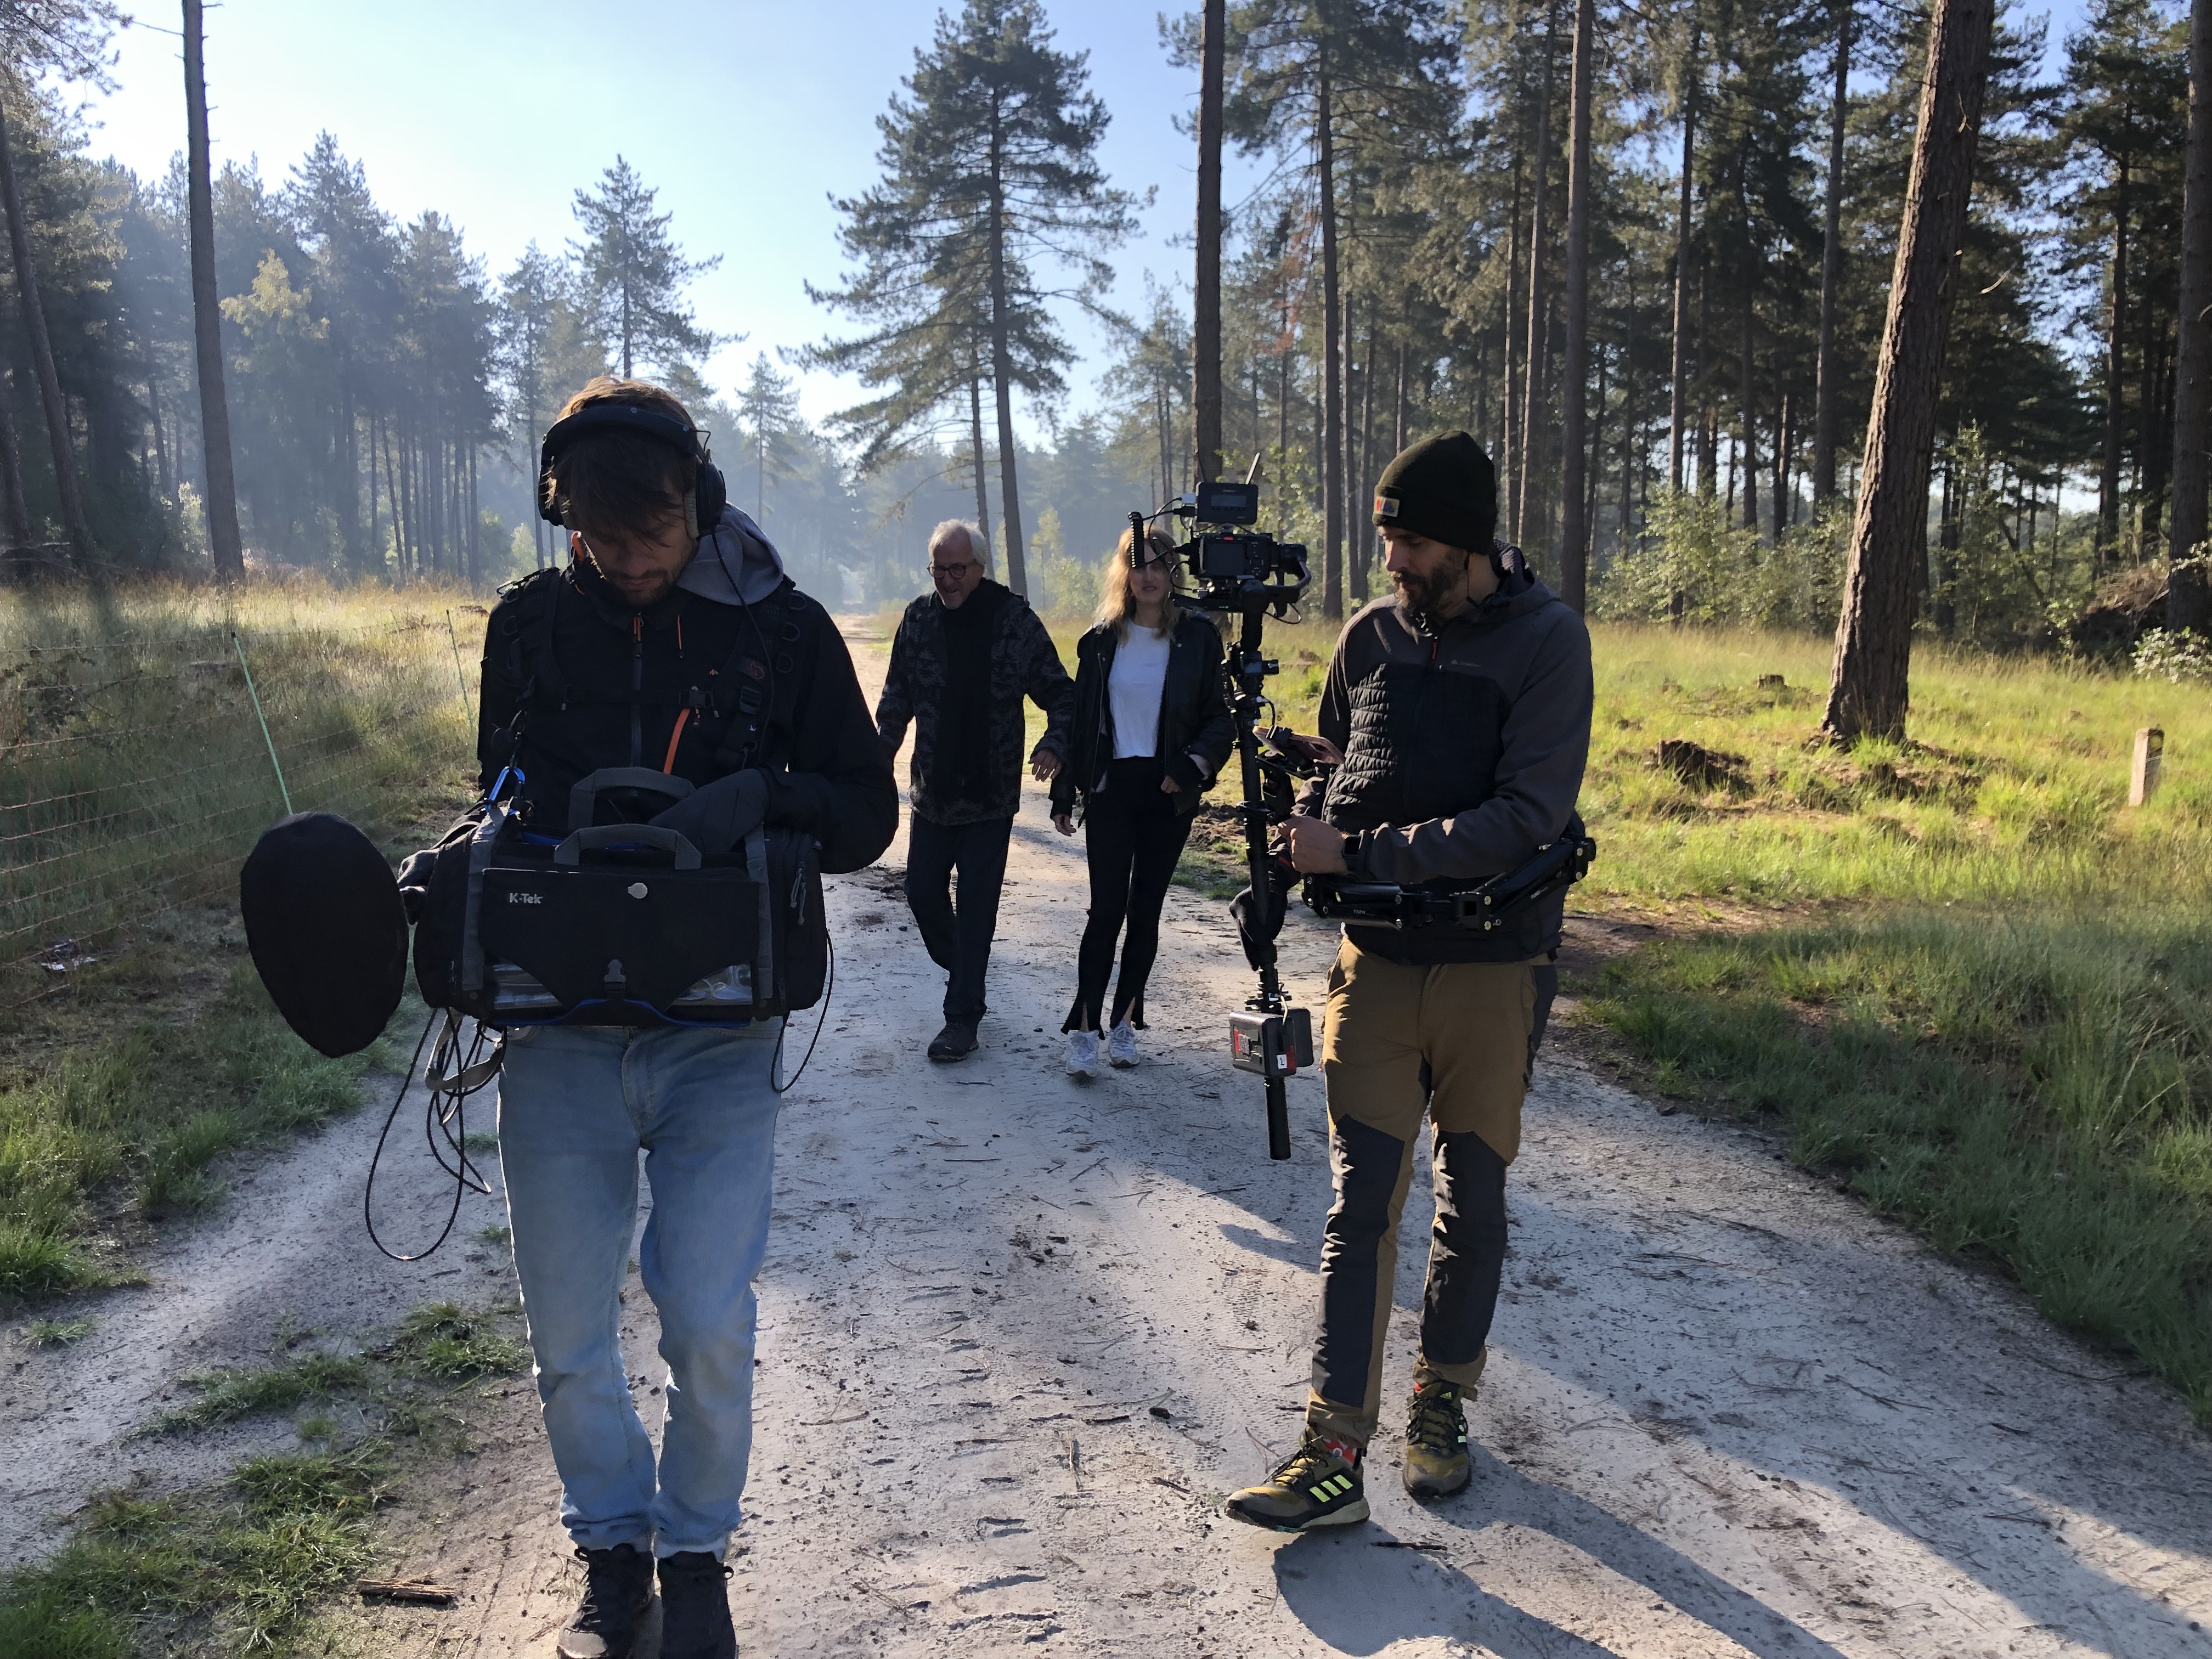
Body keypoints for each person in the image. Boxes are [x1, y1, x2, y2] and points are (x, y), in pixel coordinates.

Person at [476, 377, 897, 1659]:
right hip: (558, 1033)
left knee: (708, 1316)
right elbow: (496, 784)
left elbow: (869, 813)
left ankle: (698, 1549)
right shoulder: (532, 626)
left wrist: (762, 797)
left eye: (649, 532)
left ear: (699, 500)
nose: (627, 560)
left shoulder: (782, 632)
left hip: (720, 1037)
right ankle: (613, 1545)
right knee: (566, 1327)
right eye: (599, 538)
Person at [1222, 431, 1592, 1531]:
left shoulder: (1546, 642)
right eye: (1388, 538)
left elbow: (1526, 817)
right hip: (1374, 966)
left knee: (1469, 1203)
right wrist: (1305, 813)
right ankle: (1332, 1448)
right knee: (1355, 1211)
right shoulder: (1369, 636)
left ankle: (1443, 1398)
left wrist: (1365, 855)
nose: (1395, 562)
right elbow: (1352, 763)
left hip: (1494, 969)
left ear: (1470, 544)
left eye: (1414, 541)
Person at [875, 521, 1075, 1060]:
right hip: (933, 793)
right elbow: (896, 699)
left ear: (980, 567)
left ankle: (961, 1019)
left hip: (990, 795)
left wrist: (1055, 743)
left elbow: (1062, 694)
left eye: (957, 569)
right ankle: (965, 966)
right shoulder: (918, 620)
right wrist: (875, 762)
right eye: (938, 569)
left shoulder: (1014, 622)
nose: (946, 580)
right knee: (920, 893)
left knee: (978, 908)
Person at [1049, 524, 1234, 1075]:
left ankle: (1126, 1021)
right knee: (1105, 910)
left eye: (1158, 564)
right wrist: (1065, 790)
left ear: (1173, 572)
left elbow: (1218, 719)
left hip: (1168, 793)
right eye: (1138, 563)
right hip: (1111, 791)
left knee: (1145, 911)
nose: (1149, 575)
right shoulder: (1101, 640)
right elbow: (1083, 723)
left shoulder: (1199, 638)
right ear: (1123, 572)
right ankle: (1084, 1026)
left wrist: (1191, 767)